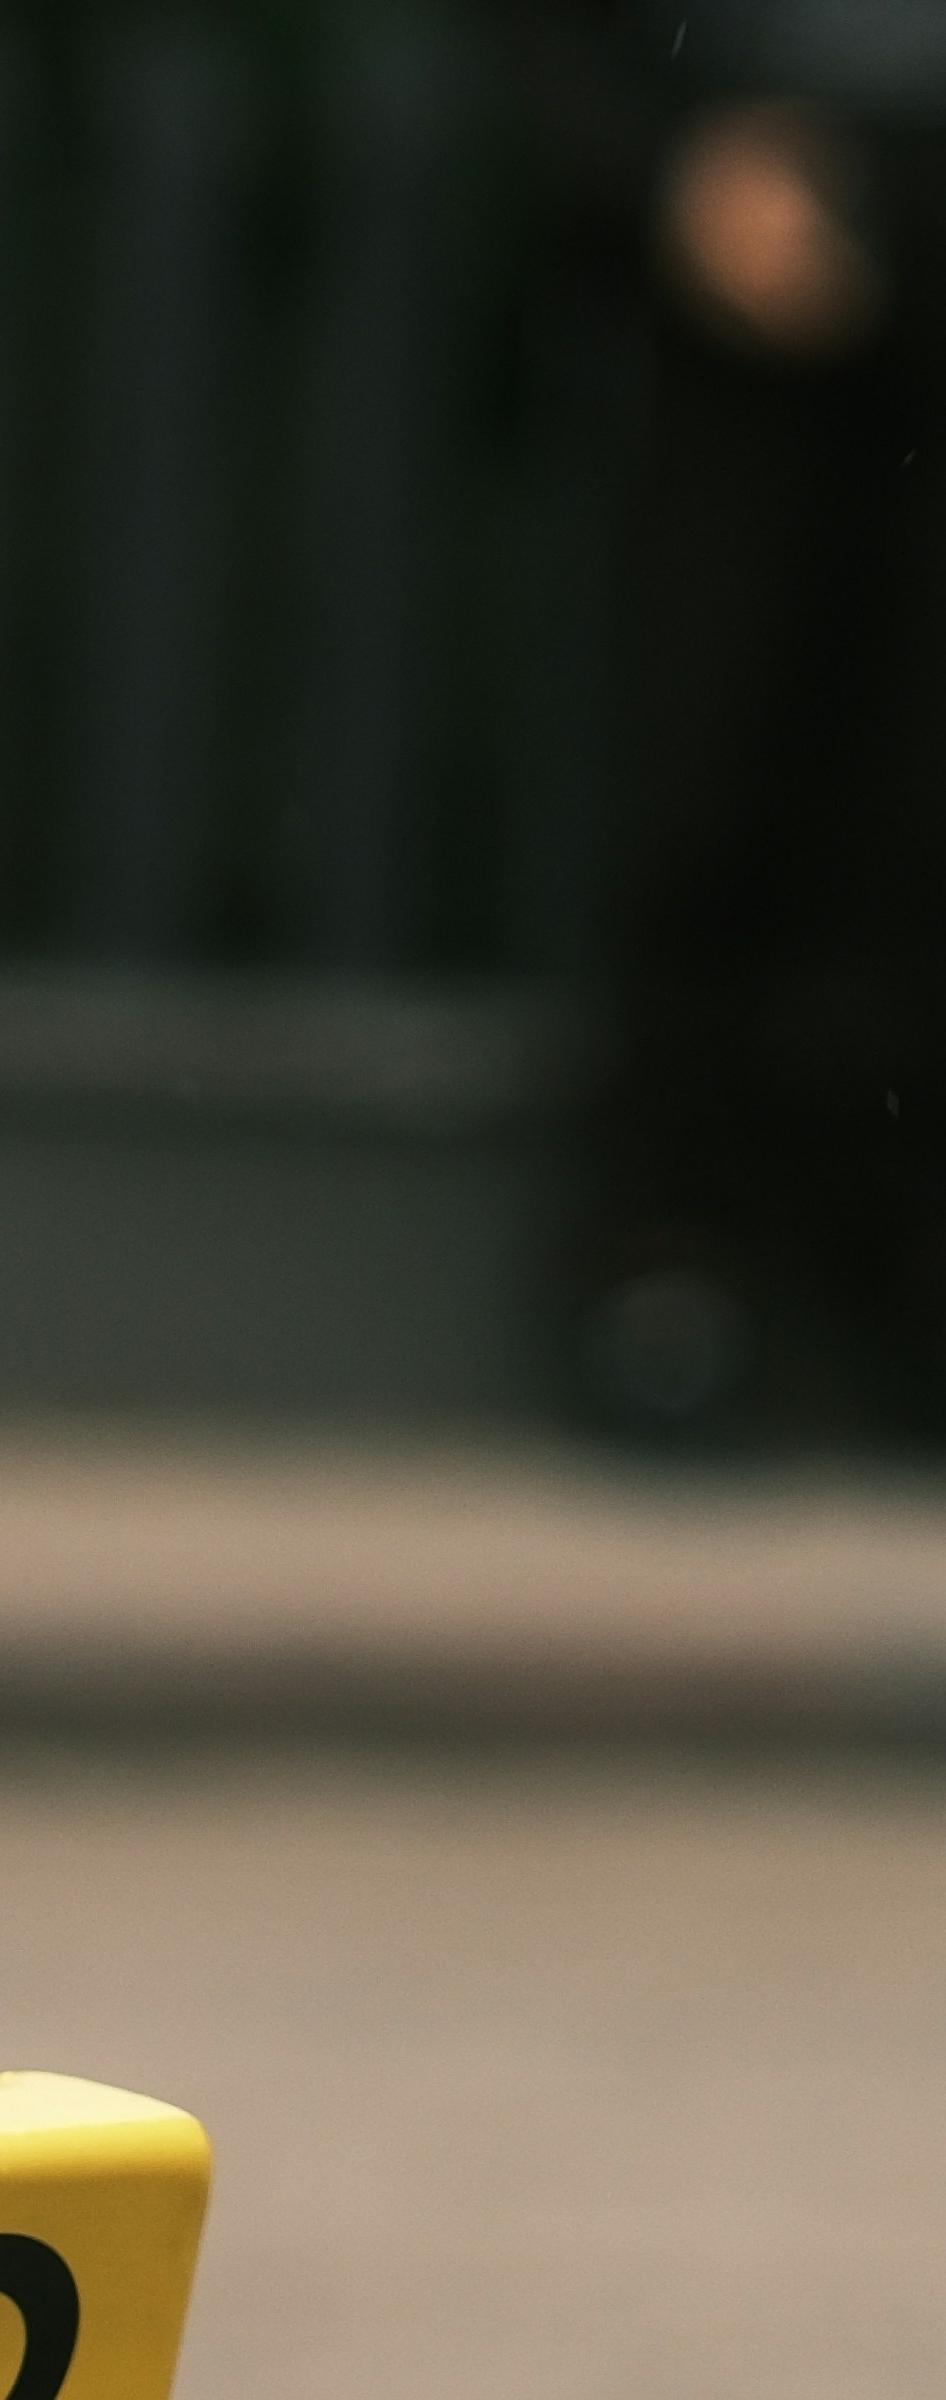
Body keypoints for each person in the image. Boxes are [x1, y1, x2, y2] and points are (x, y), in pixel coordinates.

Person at [533, 4, 946, 1436]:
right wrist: (661, 158)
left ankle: (907, 1256)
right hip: (763, 166)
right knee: (711, 751)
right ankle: (679, 1256)